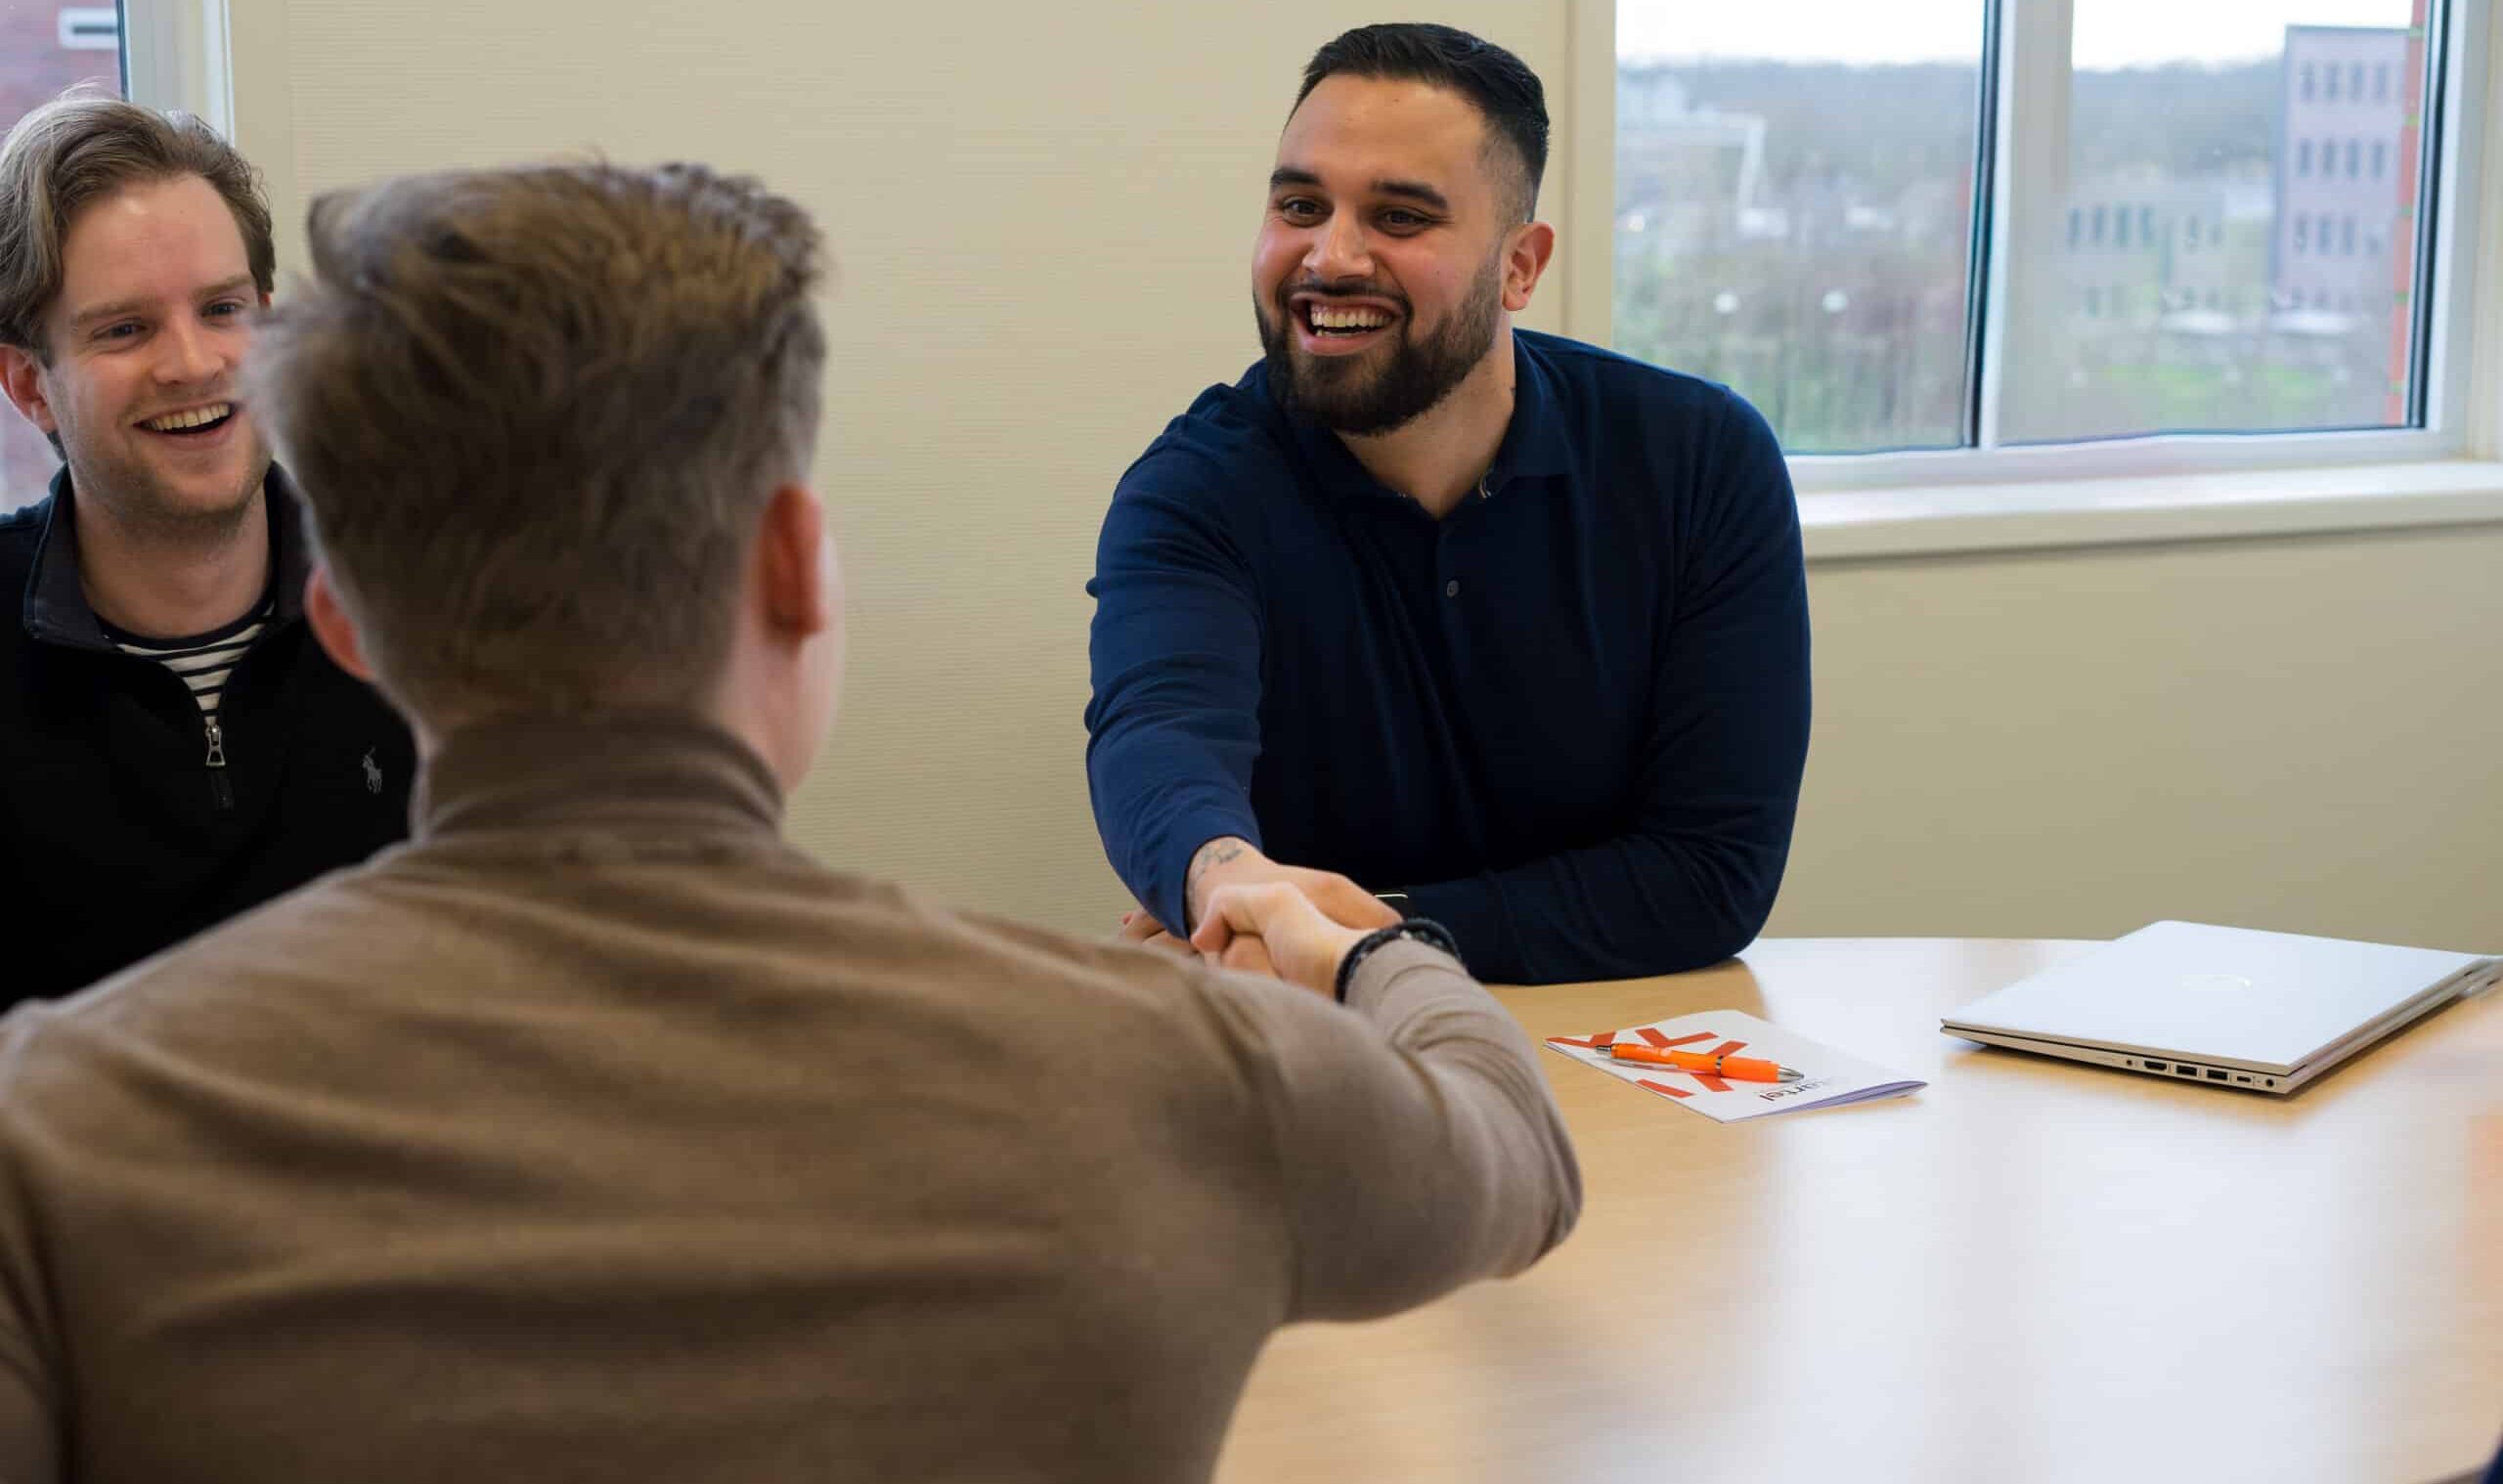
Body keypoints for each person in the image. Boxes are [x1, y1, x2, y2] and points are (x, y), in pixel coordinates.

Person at [0, 159, 1580, 1483]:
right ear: (794, 568)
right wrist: (1362, 952)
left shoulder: (53, 1138)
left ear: (345, 623)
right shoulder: (1177, 1075)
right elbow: (1518, 1154)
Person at [1086, 23, 1812, 985]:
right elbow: (1158, 735)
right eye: (1300, 204)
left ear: (1520, 266)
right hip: (1329, 1057)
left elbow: (1708, 874)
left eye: (1399, 218)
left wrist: (1363, 935)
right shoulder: (1193, 490)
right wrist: (1223, 884)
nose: (1328, 257)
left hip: (1611, 1041)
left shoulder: (1700, 462)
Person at [0, 89, 413, 1000]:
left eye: (223, 310)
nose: (191, 362)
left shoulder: (424, 605)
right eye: (125, 328)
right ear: (30, 383)